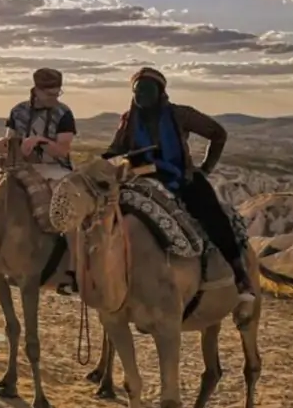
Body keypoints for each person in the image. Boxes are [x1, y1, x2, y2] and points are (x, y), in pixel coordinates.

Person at [104, 67, 255, 303]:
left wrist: (205, 169)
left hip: (178, 177)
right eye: (137, 91)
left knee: (211, 212)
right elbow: (116, 149)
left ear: (160, 92)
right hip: (140, 178)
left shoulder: (180, 115)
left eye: (147, 90)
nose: (142, 95)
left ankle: (238, 271)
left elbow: (218, 134)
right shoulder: (129, 120)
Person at [0, 67, 78, 279]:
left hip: (54, 168)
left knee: (67, 209)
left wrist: (39, 141)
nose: (54, 98)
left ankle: (73, 268)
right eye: (50, 94)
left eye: (57, 93)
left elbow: (63, 149)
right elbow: (9, 138)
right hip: (19, 165)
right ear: (36, 90)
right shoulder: (18, 111)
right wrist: (4, 143)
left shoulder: (64, 114)